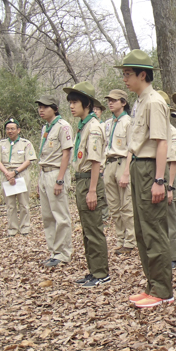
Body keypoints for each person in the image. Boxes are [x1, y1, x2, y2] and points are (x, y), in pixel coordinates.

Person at [116, 49, 173, 309]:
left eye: (128, 74)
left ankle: (163, 290)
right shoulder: (140, 101)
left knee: (153, 230)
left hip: (151, 168)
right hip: (140, 167)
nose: (125, 79)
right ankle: (152, 285)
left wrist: (159, 180)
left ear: (142, 75)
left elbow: (161, 142)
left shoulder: (153, 102)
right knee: (141, 230)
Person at [65, 82, 110, 288]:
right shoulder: (83, 126)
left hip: (89, 181)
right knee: (86, 230)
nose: (72, 106)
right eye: (70, 103)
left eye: (75, 102)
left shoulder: (93, 127)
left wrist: (92, 190)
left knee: (94, 229)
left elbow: (95, 161)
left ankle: (101, 273)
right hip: (82, 180)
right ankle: (93, 270)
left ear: (87, 103)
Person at [36, 95, 74, 268]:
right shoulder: (46, 127)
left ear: (55, 108)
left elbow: (66, 153)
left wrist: (60, 179)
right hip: (44, 172)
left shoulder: (63, 126)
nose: (41, 110)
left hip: (55, 172)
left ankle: (63, 252)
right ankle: (53, 251)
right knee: (47, 216)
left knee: (60, 215)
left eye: (45, 107)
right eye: (40, 107)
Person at [103, 89, 136, 255]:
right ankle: (120, 238)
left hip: (122, 162)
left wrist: (126, 172)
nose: (110, 103)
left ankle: (130, 241)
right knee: (114, 206)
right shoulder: (108, 123)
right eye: (109, 100)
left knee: (126, 204)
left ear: (123, 102)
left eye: (114, 100)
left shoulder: (128, 122)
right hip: (109, 163)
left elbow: (131, 148)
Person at [0, 118, 37, 237]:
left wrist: (15, 172)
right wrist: (7, 173)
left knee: (23, 203)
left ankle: (25, 228)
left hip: (21, 174)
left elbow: (29, 160)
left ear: (18, 130)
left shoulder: (25, 143)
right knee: (10, 204)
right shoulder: (2, 144)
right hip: (6, 174)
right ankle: (12, 228)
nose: (10, 131)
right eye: (8, 129)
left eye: (12, 129)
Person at [158, 90, 176, 269]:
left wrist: (169, 187)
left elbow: (173, 160)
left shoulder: (172, 132)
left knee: (170, 218)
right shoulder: (157, 131)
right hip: (157, 175)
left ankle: (175, 256)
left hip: (168, 176)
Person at [93, 101, 110, 222]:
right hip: (93, 162)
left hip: (103, 161)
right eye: (93, 109)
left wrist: (103, 163)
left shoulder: (104, 126)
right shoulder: (89, 125)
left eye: (97, 110)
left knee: (103, 191)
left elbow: (106, 146)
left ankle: (104, 216)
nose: (95, 112)